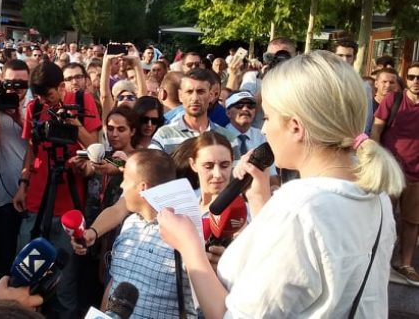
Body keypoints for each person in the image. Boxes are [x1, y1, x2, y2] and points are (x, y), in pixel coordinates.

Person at [158, 50, 405, 318]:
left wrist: (189, 246)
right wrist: (260, 200)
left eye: (267, 118)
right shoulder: (373, 193)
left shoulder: (300, 208)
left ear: (296, 127)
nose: (263, 130)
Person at [13, 61, 101, 318]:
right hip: (36, 202)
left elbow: (95, 147)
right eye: (39, 96)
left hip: (70, 206)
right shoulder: (34, 107)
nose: (45, 101)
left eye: (49, 95)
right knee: (25, 276)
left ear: (62, 87)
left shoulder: (83, 102)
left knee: (64, 284)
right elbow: (31, 148)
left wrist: (73, 124)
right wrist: (23, 184)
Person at [73, 149, 195, 318]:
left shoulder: (184, 235)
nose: (122, 186)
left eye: (126, 180)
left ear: (142, 188)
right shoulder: (130, 225)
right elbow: (116, 283)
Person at [372, 62, 419, 285]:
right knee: (384, 217)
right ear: (406, 79)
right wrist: (375, 157)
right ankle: (378, 259)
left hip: (417, 174)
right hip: (391, 169)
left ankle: (405, 263)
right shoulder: (394, 99)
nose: (415, 81)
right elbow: (377, 128)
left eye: (418, 77)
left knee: (412, 221)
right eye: (411, 77)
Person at [0, 59, 31, 280]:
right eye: (10, 84)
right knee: (2, 257)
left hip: (31, 194)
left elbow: (38, 145)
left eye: (21, 85)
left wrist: (19, 117)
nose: (15, 90)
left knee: (26, 260)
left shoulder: (35, 106)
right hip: (1, 196)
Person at [150, 69, 239, 156]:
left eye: (201, 92)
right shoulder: (163, 136)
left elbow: (234, 170)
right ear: (180, 96)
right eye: (189, 92)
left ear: (211, 96)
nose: (195, 98)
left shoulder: (228, 138)